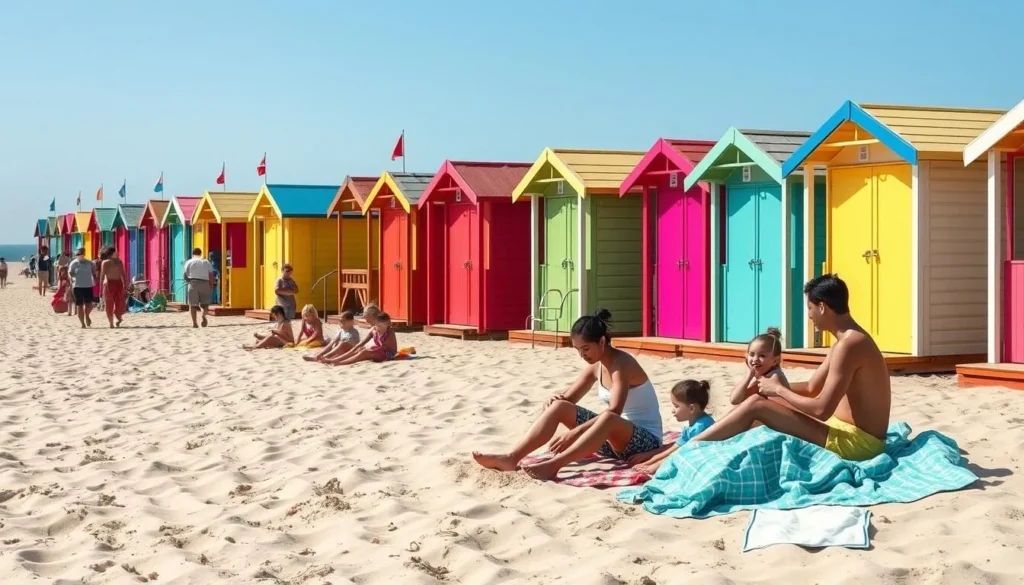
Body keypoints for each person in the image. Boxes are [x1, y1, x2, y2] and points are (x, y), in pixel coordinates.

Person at [690, 274, 891, 461]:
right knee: (760, 401)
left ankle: (690, 450)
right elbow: (813, 387)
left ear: (822, 307)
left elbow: (821, 410)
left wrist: (778, 390)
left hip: (859, 445)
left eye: (810, 308)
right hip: (845, 431)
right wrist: (766, 387)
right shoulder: (846, 341)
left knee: (757, 406)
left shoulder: (849, 345)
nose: (809, 315)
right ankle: (704, 446)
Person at [472, 309, 663, 480]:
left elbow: (615, 411)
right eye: (578, 350)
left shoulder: (622, 364)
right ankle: (511, 458)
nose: (582, 355)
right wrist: (555, 400)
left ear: (602, 341)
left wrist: (574, 433)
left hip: (645, 444)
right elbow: (568, 400)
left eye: (586, 348)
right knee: (559, 407)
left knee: (609, 418)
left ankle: (554, 466)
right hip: (613, 444)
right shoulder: (596, 366)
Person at [630, 380, 715, 476]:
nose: (672, 411)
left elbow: (680, 453)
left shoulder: (701, 427)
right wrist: (647, 461)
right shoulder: (694, 424)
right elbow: (673, 448)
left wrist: (655, 466)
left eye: (676, 406)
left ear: (692, 408)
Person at [729, 327, 790, 405]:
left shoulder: (773, 377)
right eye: (751, 354)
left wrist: (748, 378)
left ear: (775, 361)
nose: (755, 359)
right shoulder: (763, 375)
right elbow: (734, 399)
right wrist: (748, 377)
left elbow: (735, 400)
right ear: (746, 356)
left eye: (762, 356)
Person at [325, 312, 398, 366]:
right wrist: (356, 347)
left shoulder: (390, 333)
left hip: (388, 354)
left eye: (380, 326)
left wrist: (369, 350)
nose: (377, 328)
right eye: (376, 326)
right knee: (359, 349)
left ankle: (340, 362)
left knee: (364, 352)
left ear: (387, 324)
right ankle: (336, 359)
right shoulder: (374, 330)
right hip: (378, 350)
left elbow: (384, 347)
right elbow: (363, 341)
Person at [305, 306, 374, 362]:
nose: (341, 324)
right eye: (340, 322)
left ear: (351, 322)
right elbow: (332, 343)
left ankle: (324, 357)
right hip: (341, 351)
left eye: (344, 322)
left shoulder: (354, 332)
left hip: (351, 351)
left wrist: (337, 343)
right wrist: (333, 343)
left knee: (340, 343)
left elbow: (349, 344)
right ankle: (319, 355)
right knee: (332, 342)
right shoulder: (341, 331)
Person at [182, 248, 215, 328]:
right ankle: (203, 315)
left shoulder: (189, 262)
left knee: (192, 304)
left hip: (193, 282)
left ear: (193, 254)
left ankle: (194, 323)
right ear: (200, 253)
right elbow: (211, 275)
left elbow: (185, 275)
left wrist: (187, 281)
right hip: (204, 283)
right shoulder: (206, 262)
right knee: (205, 304)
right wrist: (211, 284)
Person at [99, 246, 127, 328]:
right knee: (109, 304)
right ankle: (111, 323)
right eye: (115, 252)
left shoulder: (119, 262)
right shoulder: (105, 262)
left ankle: (118, 318)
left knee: (120, 303)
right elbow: (102, 275)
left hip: (118, 284)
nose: (117, 253)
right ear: (111, 254)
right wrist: (100, 288)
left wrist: (125, 285)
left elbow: (123, 274)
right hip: (108, 283)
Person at [68, 248, 96, 328]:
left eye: (80, 254)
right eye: (77, 254)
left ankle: (87, 315)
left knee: (89, 305)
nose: (79, 255)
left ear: (84, 254)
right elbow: (69, 273)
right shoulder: (73, 263)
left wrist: (95, 279)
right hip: (77, 286)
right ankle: (82, 323)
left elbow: (94, 272)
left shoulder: (90, 263)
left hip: (88, 286)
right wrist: (71, 278)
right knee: (79, 305)